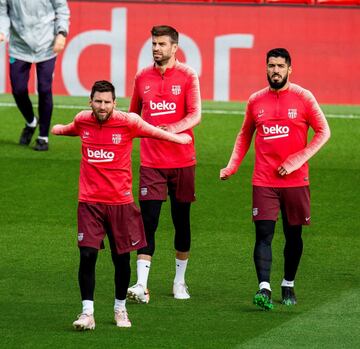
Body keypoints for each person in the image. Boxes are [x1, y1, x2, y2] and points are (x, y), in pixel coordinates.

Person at [51, 80, 192, 330]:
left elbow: (154, 132)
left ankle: (120, 308)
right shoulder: (84, 120)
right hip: (90, 202)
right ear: (90, 102)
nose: (102, 106)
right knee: (87, 254)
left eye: (107, 102)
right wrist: (58, 129)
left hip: (120, 203)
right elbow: (72, 128)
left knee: (121, 260)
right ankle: (87, 313)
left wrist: (179, 140)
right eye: (98, 101)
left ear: (115, 103)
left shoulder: (129, 122)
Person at [220, 48, 330, 310]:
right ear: (266, 68)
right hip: (264, 181)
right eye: (271, 66)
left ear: (290, 69)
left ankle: (288, 283)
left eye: (281, 66)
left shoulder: (304, 98)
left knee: (293, 236)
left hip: (296, 181)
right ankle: (264, 288)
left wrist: (295, 160)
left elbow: (324, 132)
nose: (276, 70)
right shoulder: (256, 100)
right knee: (263, 234)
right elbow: (244, 135)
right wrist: (231, 166)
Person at [127, 25, 201, 303]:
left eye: (161, 44)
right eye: (153, 43)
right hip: (152, 162)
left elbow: (195, 114)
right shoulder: (142, 77)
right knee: (148, 221)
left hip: (183, 161)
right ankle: (141, 285)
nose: (156, 48)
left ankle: (179, 282)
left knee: (182, 222)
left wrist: (173, 129)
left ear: (174, 48)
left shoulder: (188, 75)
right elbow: (133, 116)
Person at [0, 0, 70, 151]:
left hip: (47, 45)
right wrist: (2, 31)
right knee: (18, 89)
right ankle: (31, 121)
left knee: (45, 89)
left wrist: (62, 33)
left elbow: (62, 9)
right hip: (19, 46)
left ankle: (43, 137)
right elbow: (3, 12)